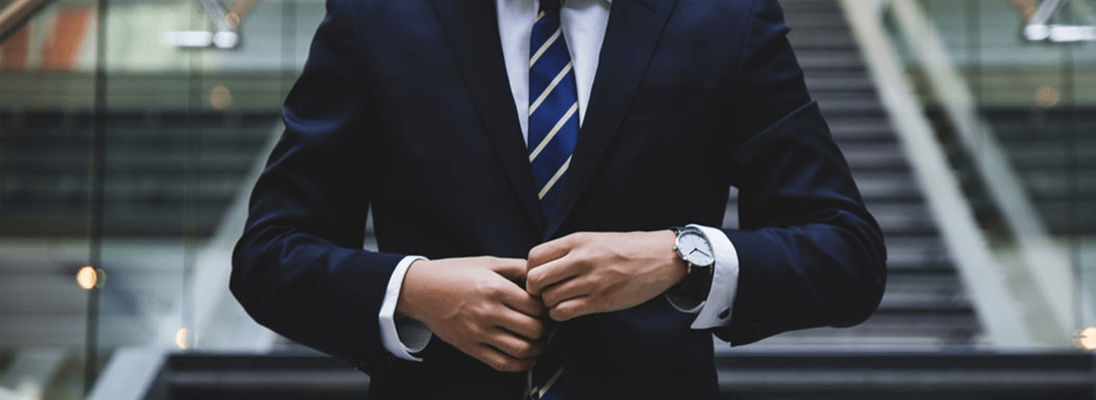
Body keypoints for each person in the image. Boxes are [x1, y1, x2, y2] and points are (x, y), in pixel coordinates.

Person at [230, 0, 887, 398]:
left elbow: (846, 253)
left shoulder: (723, 20)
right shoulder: (376, 18)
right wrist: (413, 290)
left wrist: (684, 256)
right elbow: (268, 256)